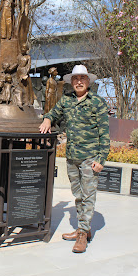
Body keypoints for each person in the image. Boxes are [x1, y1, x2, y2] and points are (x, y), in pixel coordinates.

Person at [39, 64, 110, 253]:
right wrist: (47, 118)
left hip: (90, 158)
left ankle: (83, 233)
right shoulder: (67, 100)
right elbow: (54, 113)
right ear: (72, 82)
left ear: (89, 82)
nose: (79, 81)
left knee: (88, 195)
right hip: (72, 157)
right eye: (76, 79)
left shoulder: (97, 103)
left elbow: (104, 134)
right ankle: (82, 229)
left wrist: (101, 159)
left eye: (83, 78)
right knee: (78, 195)